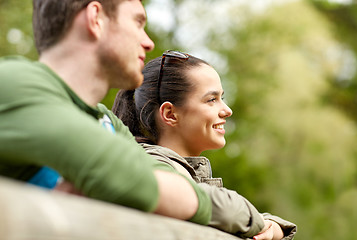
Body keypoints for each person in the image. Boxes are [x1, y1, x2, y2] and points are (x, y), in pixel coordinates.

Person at [0, 1, 212, 224]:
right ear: (96, 18)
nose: (148, 43)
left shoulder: (105, 120)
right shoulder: (12, 82)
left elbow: (177, 187)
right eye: (138, 22)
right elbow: (131, 180)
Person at [112, 50, 297, 240]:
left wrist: (273, 227)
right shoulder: (155, 167)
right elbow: (224, 210)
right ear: (170, 114)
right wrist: (263, 224)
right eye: (211, 100)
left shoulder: (176, 169)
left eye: (221, 98)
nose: (227, 110)